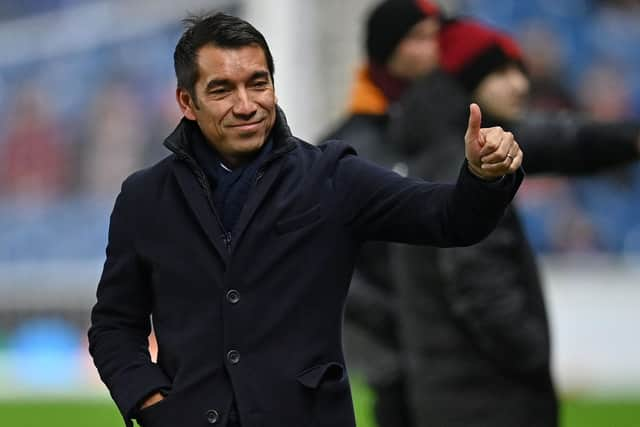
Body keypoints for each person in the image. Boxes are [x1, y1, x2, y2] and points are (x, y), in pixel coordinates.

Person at [87, 11, 524, 427]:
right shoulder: (144, 197)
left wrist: (483, 179)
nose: (246, 105)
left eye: (258, 84)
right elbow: (114, 326)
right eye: (222, 90)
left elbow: (449, 219)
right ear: (187, 102)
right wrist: (152, 402)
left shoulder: (332, 176)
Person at [388, 18, 640, 426]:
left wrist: (628, 140)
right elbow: (480, 288)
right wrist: (533, 355)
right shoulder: (466, 166)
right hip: (485, 403)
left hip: (458, 398)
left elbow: (562, 142)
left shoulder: (448, 146)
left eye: (520, 71)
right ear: (467, 84)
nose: (520, 84)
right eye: (502, 72)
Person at [323, 1, 442, 425]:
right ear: (389, 48)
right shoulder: (349, 147)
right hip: (394, 353)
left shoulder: (445, 130)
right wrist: (398, 315)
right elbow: (330, 258)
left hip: (449, 351)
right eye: (420, 38)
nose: (434, 50)